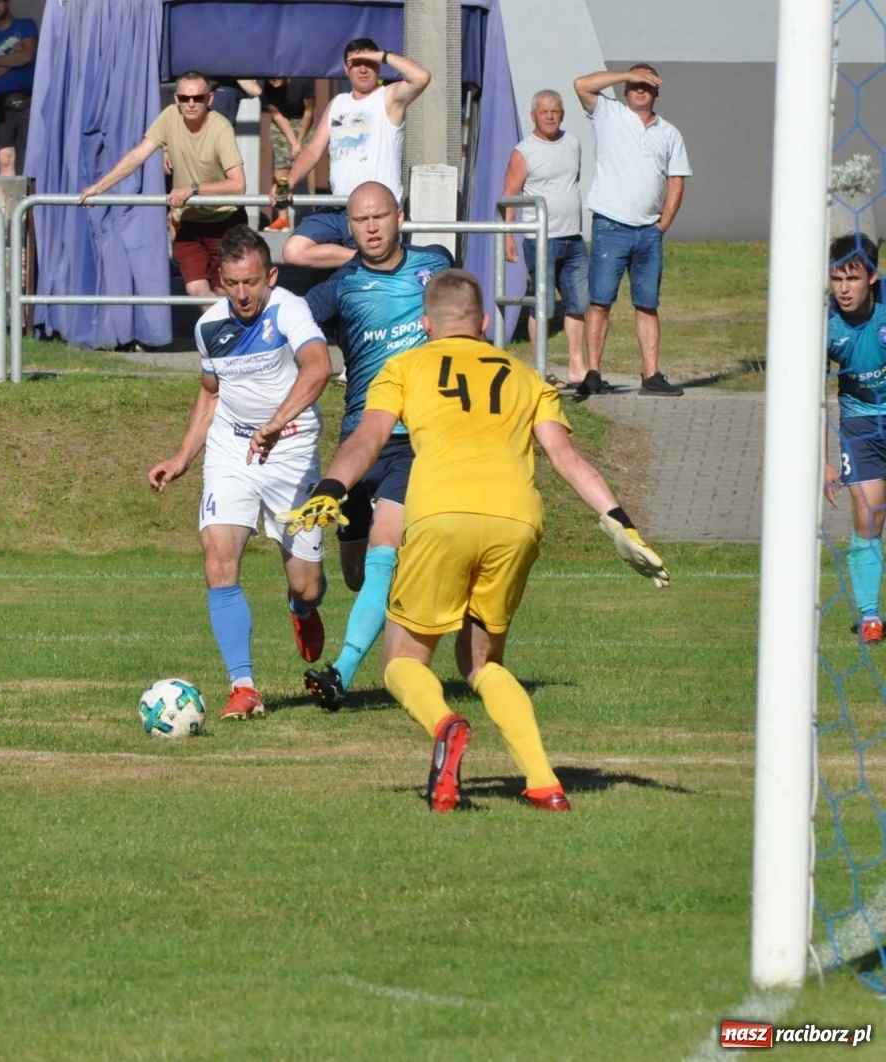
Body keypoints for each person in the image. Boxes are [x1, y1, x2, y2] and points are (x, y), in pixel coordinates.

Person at [267, 269, 669, 813]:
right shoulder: (524, 374)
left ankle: (445, 723)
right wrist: (618, 519)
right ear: (484, 323)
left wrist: (331, 488)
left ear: (425, 324)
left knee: (403, 659)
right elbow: (566, 458)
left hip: (440, 515)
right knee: (482, 663)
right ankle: (544, 781)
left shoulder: (405, 365)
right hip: (517, 521)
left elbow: (368, 437)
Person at [148, 228, 335, 720]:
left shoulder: (289, 309)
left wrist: (276, 424)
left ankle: (302, 610)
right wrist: (183, 456)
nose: (243, 294)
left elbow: (320, 367)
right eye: (232, 283)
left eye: (251, 281)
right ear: (221, 281)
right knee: (218, 558)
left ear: (270, 276)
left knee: (306, 584)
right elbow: (211, 393)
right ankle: (244, 686)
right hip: (232, 450)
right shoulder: (209, 326)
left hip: (291, 449)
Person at [299, 182, 453, 708]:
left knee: (386, 548)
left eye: (379, 216)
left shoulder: (436, 263)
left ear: (399, 217)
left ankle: (340, 672)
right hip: (360, 444)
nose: (370, 227)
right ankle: (332, 608)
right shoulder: (341, 287)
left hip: (415, 439)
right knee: (358, 574)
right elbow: (295, 326)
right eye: (360, 220)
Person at [573, 63, 691, 397]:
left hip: (648, 232)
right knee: (600, 300)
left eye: (647, 85)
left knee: (647, 303)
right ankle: (593, 372)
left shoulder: (669, 133)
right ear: (626, 90)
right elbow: (581, 83)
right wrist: (626, 74)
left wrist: (662, 225)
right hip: (611, 225)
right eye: (635, 85)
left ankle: (651, 375)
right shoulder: (609, 114)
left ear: (657, 90)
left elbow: (677, 180)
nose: (640, 90)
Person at [79, 71, 247, 299]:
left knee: (224, 292)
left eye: (198, 98)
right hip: (188, 222)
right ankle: (218, 334)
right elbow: (138, 155)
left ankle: (228, 334)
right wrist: (99, 187)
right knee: (196, 291)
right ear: (176, 99)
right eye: (184, 98)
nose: (191, 103)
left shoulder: (221, 127)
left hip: (225, 223)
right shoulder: (169, 116)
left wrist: (193, 189)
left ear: (209, 100)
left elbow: (238, 185)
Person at [279, 39, 430, 271]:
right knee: (293, 250)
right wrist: (287, 182)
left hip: (376, 213)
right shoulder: (338, 103)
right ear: (345, 68)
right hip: (340, 207)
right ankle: (364, 258)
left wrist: (383, 55)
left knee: (371, 289)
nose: (362, 68)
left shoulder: (389, 97)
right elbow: (312, 150)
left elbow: (421, 77)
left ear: (378, 65)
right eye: (356, 63)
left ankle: (374, 261)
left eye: (369, 62)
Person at [502, 89, 588, 390]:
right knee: (543, 305)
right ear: (533, 115)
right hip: (540, 239)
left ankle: (578, 367)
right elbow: (509, 195)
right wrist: (509, 236)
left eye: (555, 111)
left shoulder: (574, 143)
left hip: (573, 237)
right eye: (544, 111)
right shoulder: (523, 151)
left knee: (578, 303)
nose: (550, 116)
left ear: (562, 114)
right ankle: (542, 368)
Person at [825, 234, 886, 644]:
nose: (844, 289)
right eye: (836, 279)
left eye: (853, 278)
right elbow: (805, 394)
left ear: (873, 278)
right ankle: (870, 617)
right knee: (869, 512)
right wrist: (819, 460)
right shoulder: (824, 326)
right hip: (861, 426)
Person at [0, 0, 38, 177]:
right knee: (5, 157)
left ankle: (34, 204)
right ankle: (11, 205)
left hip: (28, 99)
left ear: (8, 2)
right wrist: (15, 58)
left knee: (33, 156)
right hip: (1, 102)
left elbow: (27, 56)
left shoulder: (26, 25)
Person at [260, 77, 316, 232]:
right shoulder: (266, 86)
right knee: (281, 164)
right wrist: (293, 142)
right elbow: (277, 115)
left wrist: (300, 141)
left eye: (276, 77)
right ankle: (282, 217)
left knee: (308, 164)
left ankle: (311, 214)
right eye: (269, 79)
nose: (273, 81)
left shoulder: (303, 81)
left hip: (304, 120)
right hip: (282, 122)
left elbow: (309, 111)